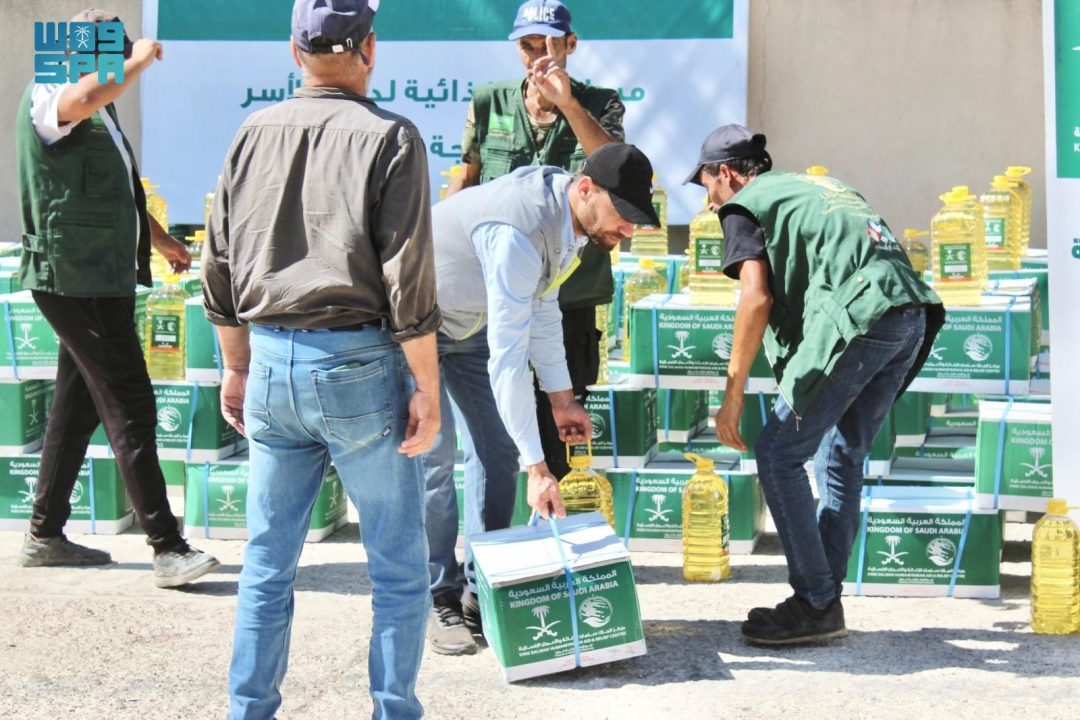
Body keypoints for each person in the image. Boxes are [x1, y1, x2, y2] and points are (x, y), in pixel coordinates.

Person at [201, 1, 441, 717]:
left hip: (272, 360)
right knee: (397, 566)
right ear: (370, 47)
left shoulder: (251, 131)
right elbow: (408, 275)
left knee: (267, 566)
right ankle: (393, 709)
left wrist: (238, 366)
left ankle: (250, 711)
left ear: (293, 49)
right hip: (360, 364)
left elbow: (218, 264)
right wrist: (425, 385)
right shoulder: (392, 137)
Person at [686, 125, 945, 646]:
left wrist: (732, 393)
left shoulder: (747, 205)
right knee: (841, 453)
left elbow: (755, 299)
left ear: (728, 173)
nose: (710, 203)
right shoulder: (818, 188)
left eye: (708, 186)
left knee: (778, 452)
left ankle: (815, 601)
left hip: (866, 322)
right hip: (910, 316)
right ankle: (822, 599)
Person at [424, 142, 659, 655]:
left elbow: (544, 310)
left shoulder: (569, 221)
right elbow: (508, 361)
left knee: (495, 452)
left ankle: (477, 587)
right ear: (586, 189)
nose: (628, 231)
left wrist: (561, 401)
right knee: (434, 457)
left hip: (469, 323)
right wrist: (539, 469)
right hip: (414, 328)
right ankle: (437, 594)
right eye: (624, 217)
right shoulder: (517, 228)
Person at [14, 8, 218, 588]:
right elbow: (72, 106)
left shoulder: (99, 107)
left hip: (100, 274)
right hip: (71, 275)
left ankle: (44, 535)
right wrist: (139, 58)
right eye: (112, 57)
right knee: (130, 400)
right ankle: (167, 546)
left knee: (76, 407)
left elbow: (120, 189)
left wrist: (162, 241)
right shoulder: (52, 91)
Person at [445, 0, 625, 482]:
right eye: (527, 46)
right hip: (497, 289)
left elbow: (617, 172)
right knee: (499, 420)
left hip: (572, 286)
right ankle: (508, 544)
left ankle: (557, 532)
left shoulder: (600, 101)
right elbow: (468, 180)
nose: (538, 56)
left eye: (549, 45)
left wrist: (567, 102)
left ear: (571, 45)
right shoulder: (489, 101)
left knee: (561, 418)